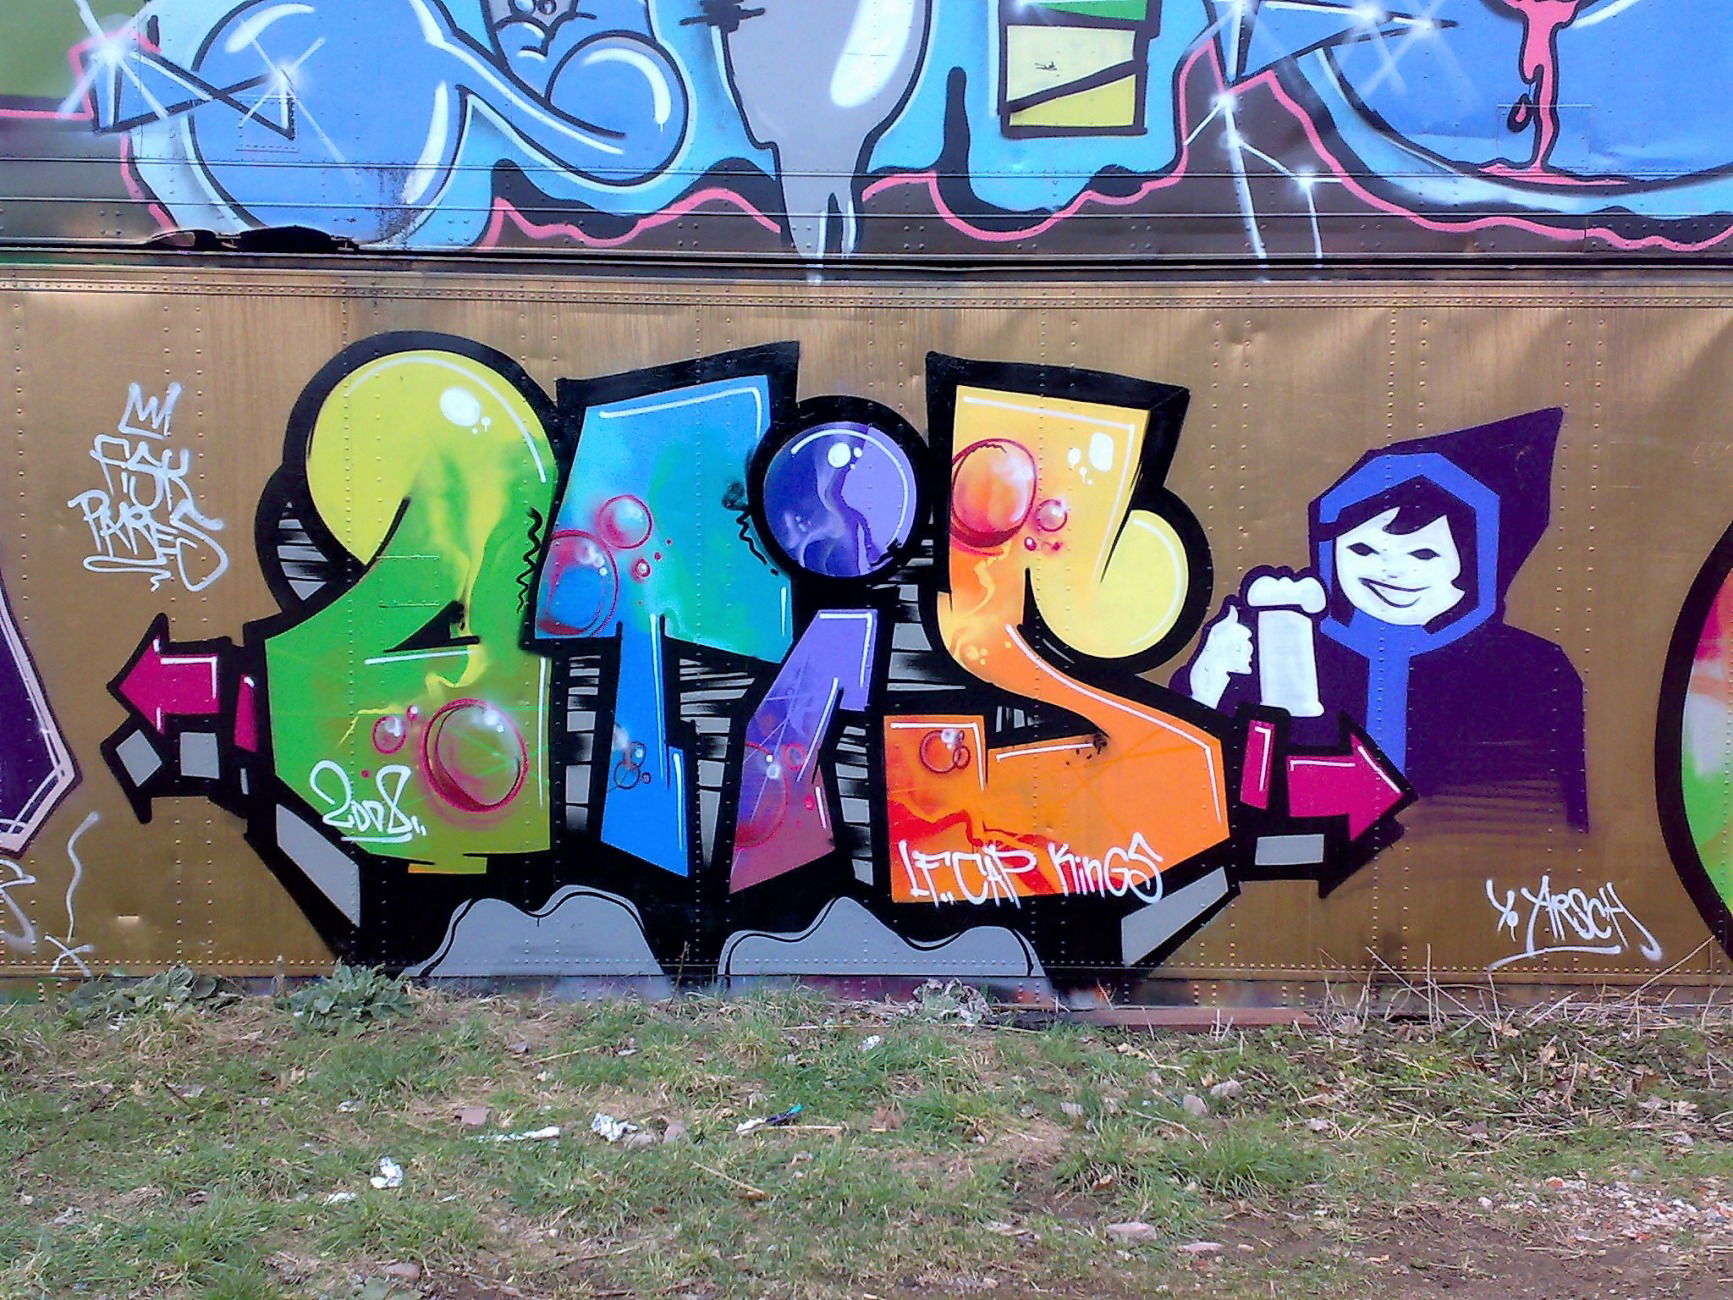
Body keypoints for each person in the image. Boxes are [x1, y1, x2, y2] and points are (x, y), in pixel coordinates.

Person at [1178, 408, 1588, 830]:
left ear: (1475, 565)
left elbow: (1539, 815)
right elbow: (1199, 792)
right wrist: (1206, 687)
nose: (1390, 571)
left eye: (1423, 554)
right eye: (1363, 550)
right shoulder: (1286, 648)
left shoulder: (1529, 669)